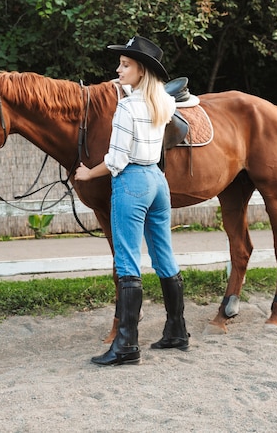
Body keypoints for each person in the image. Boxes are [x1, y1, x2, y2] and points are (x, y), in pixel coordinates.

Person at [74, 35, 190, 366]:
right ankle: (177, 330)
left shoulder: (126, 108)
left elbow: (116, 161)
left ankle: (126, 345)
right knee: (164, 256)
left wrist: (87, 174)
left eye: (125, 65)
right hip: (158, 182)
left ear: (141, 71)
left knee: (127, 262)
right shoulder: (164, 103)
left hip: (132, 184)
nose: (118, 69)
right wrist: (123, 85)